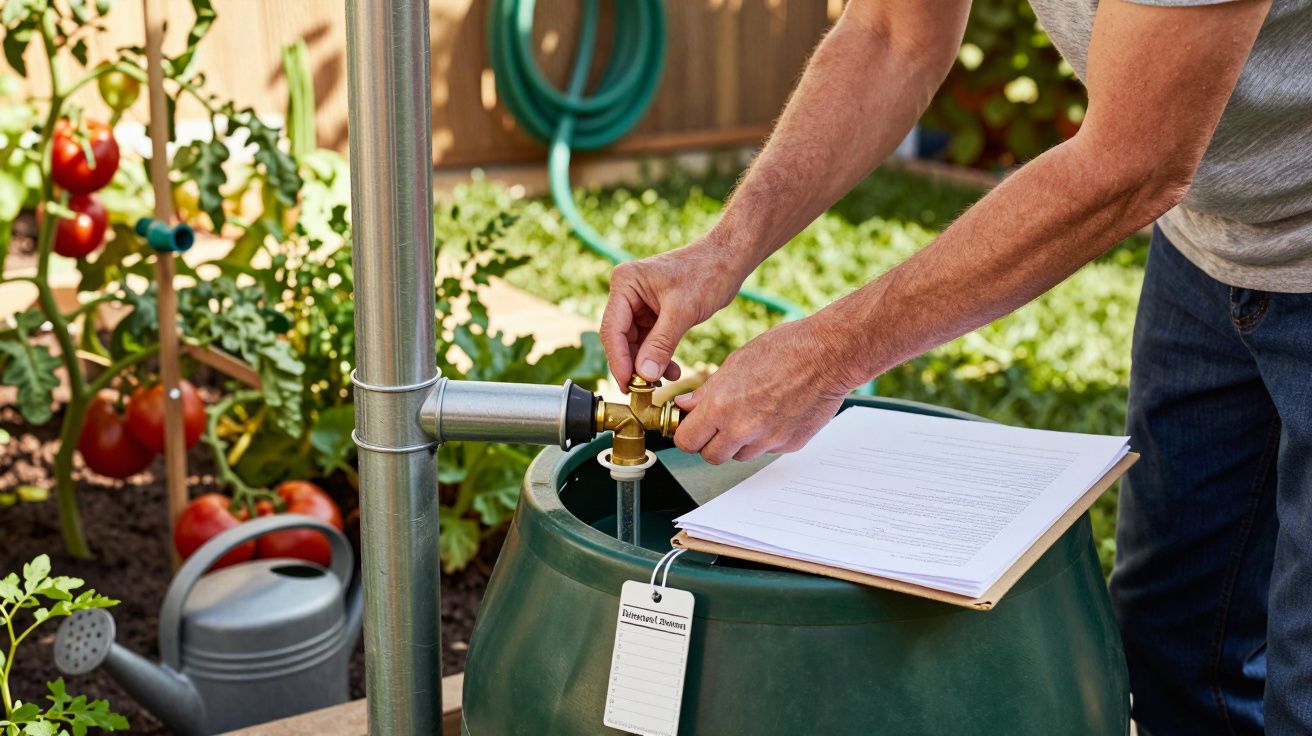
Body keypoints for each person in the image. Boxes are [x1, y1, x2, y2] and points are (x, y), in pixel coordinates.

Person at [597, 0, 1311, 733]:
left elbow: (1134, 165)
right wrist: (723, 250)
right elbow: (890, 35)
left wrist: (826, 358)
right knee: (1178, 647)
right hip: (1209, 243)